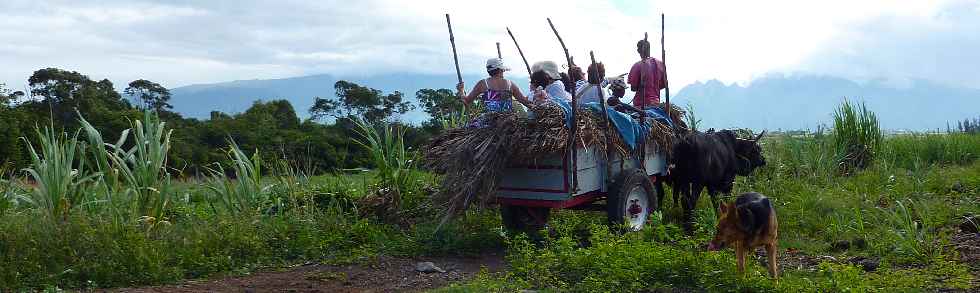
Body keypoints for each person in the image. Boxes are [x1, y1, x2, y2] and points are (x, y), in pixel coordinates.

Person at [456, 58, 532, 113]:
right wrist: (539, 104)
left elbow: (466, 101)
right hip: (508, 122)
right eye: (503, 70)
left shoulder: (482, 84)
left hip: (489, 122)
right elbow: (525, 102)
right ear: (500, 70)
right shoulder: (510, 84)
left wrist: (461, 90)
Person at [627, 37, 667, 110]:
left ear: (639, 50)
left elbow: (633, 88)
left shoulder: (637, 65)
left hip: (640, 104)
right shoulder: (660, 64)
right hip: (656, 103)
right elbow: (664, 85)